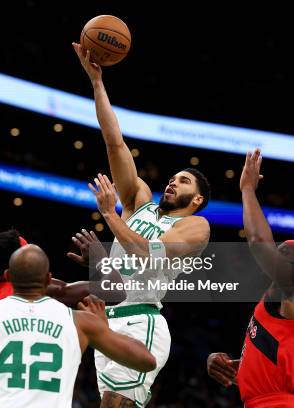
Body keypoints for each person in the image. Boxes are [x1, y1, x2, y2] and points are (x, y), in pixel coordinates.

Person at [73, 42, 211, 407]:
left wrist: (110, 216)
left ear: (196, 199)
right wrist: (97, 83)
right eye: (173, 177)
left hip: (141, 320)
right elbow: (114, 142)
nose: (173, 182)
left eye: (184, 181)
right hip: (108, 316)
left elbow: (151, 255)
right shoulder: (140, 202)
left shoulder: (197, 227)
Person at [0, 244, 156, 408]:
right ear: (48, 280)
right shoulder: (80, 322)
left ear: (8, 277)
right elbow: (146, 361)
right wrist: (103, 329)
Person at [207, 149, 294, 408]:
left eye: (283, 253)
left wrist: (248, 190)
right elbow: (269, 371)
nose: (274, 256)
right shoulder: (274, 306)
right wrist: (232, 367)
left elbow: (259, 241)